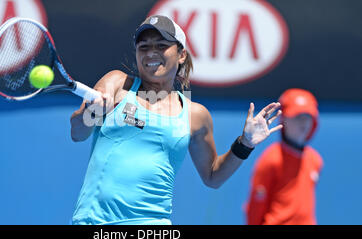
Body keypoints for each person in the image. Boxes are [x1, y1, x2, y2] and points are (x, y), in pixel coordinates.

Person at [70, 15, 283, 225]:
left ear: (181, 54)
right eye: (143, 47)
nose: (151, 53)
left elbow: (213, 176)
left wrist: (245, 143)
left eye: (161, 45)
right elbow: (78, 133)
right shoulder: (117, 83)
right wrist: (91, 112)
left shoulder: (195, 115)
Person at [245, 88, 323, 225]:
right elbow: (255, 209)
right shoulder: (271, 159)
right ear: (284, 119)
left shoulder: (315, 160)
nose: (303, 123)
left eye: (308, 117)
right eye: (298, 117)